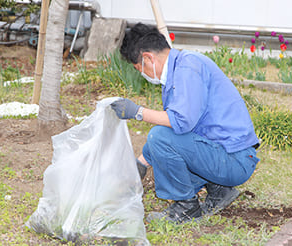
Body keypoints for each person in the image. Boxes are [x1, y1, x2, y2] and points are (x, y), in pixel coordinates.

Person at [110, 23, 260, 224]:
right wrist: (142, 162)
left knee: (159, 137)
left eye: (139, 69)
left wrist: (137, 112)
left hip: (234, 161)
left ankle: (186, 207)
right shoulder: (181, 68)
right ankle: (219, 190)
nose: (142, 74)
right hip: (226, 155)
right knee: (163, 137)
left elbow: (180, 122)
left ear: (148, 58)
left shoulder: (188, 68)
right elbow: (178, 130)